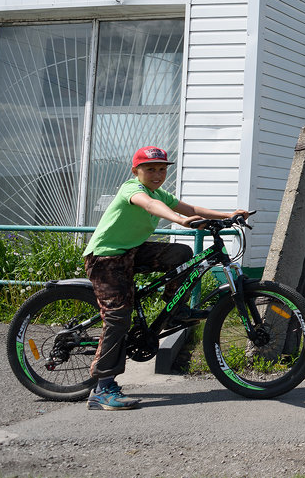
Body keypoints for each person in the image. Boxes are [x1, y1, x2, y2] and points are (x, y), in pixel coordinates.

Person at [82, 146, 247, 411]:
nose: (157, 174)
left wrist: (228, 215)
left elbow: (190, 206)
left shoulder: (159, 192)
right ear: (136, 171)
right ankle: (102, 389)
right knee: (118, 318)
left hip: (132, 252)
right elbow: (150, 205)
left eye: (162, 169)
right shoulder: (132, 189)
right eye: (150, 169)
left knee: (181, 253)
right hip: (106, 258)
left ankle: (174, 309)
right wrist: (181, 221)